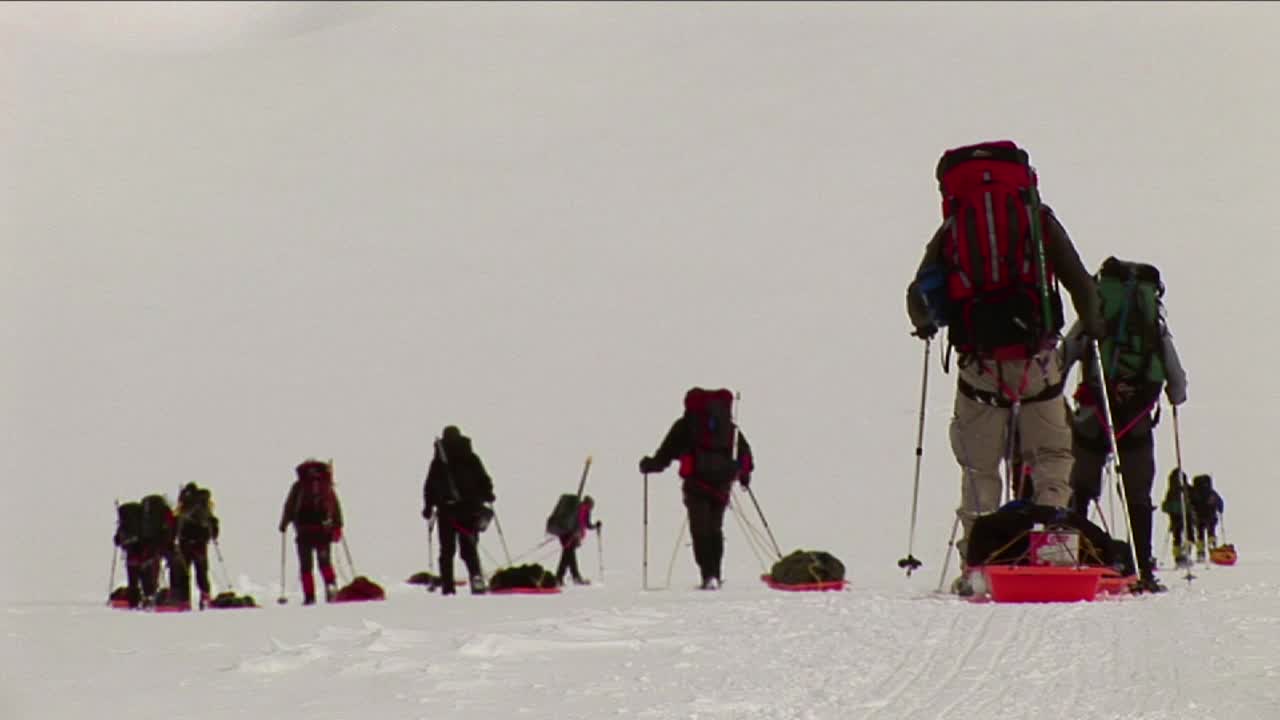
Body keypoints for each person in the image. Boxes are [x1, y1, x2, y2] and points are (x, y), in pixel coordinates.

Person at [906, 141, 1104, 595]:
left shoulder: (953, 227)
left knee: (979, 469)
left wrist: (926, 325)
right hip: (1038, 364)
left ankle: (976, 566)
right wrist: (1093, 324)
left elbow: (919, 299)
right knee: (1052, 456)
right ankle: (1054, 548)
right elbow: (1080, 284)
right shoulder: (1039, 221)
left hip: (980, 367)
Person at [1064, 259, 1187, 593]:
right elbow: (1177, 382)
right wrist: (1175, 396)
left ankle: (1073, 557)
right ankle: (1143, 566)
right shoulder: (1152, 323)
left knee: (1081, 487)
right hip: (1136, 418)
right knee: (1137, 492)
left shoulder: (1097, 311)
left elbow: (1066, 354)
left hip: (1094, 413)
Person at [639, 387, 754, 590]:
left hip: (696, 484)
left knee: (700, 530)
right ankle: (715, 574)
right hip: (721, 485)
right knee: (715, 528)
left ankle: (708, 575)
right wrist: (744, 477)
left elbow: (665, 453)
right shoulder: (728, 427)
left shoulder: (686, 425)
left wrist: (650, 465)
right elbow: (744, 454)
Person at [422, 426, 496, 595]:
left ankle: (448, 587)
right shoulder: (471, 457)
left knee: (447, 551)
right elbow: (484, 479)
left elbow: (430, 487)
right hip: (470, 510)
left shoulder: (439, 461)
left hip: (446, 511)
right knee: (469, 548)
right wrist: (488, 495)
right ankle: (476, 579)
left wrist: (428, 507)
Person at [279, 459, 344, 605]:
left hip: (304, 532)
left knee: (306, 566)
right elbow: (335, 506)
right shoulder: (326, 486)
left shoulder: (298, 486)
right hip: (323, 532)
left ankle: (309, 596)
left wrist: (284, 524)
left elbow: (289, 506)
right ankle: (331, 587)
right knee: (325, 563)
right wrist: (338, 526)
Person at [173, 482, 221, 609]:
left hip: (184, 542)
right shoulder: (204, 504)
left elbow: (176, 521)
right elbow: (212, 522)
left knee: (183, 572)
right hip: (200, 542)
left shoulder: (184, 504)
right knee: (201, 570)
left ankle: (184, 601)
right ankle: (205, 597)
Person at [552, 495, 600, 586]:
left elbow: (586, 524)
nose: (591, 508)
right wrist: (576, 534)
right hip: (570, 536)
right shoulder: (581, 509)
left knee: (567, 556)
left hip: (570, 535)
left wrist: (595, 526)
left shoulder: (583, 510)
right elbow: (579, 523)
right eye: (591, 506)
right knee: (568, 556)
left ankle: (561, 578)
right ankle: (571, 577)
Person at [1188, 474, 1225, 562]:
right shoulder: (1212, 493)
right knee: (1211, 532)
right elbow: (1220, 502)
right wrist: (1220, 510)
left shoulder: (1194, 492)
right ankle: (1212, 549)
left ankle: (1201, 553)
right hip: (1211, 516)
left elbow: (1190, 503)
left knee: (1200, 534)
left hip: (1198, 517)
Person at [1160, 468, 1192, 568]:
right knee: (1186, 535)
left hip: (1177, 517)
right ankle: (1183, 555)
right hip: (1182, 516)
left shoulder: (1171, 491)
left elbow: (1165, 506)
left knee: (1178, 536)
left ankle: (1180, 556)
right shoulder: (1182, 490)